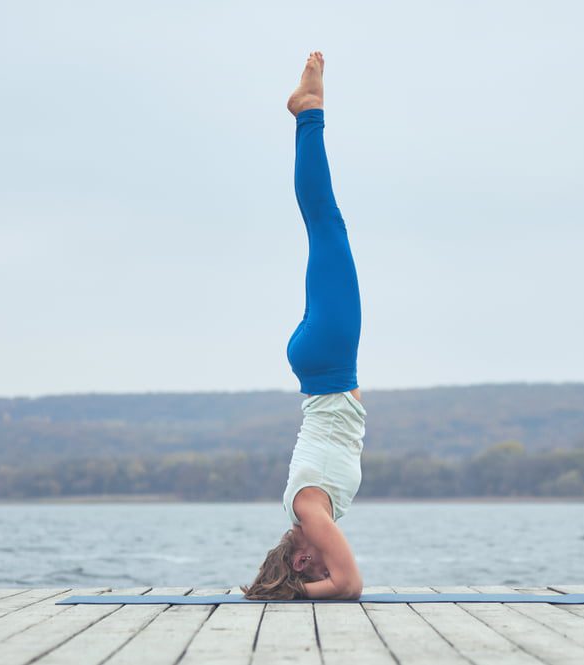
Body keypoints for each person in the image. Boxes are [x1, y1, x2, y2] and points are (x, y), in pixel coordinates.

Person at [242, 51, 365, 600]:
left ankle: (308, 112)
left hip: (330, 361)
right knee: (324, 226)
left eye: (308, 569)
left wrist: (295, 592)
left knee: (326, 223)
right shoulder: (306, 508)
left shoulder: (308, 515)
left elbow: (350, 586)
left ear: (298, 556)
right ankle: (307, 113)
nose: (323, 569)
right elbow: (341, 581)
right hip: (321, 365)